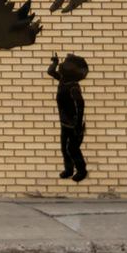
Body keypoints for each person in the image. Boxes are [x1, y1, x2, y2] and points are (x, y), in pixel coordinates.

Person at [47, 52, 89, 183]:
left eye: (64, 63)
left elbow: (80, 105)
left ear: (71, 69)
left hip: (74, 124)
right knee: (64, 149)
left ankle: (81, 170)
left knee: (72, 149)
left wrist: (77, 125)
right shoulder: (63, 79)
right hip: (65, 123)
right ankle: (69, 170)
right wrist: (54, 62)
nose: (61, 64)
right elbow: (50, 72)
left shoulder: (73, 86)